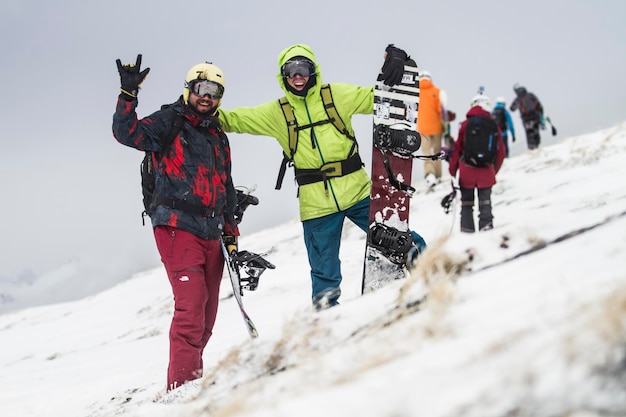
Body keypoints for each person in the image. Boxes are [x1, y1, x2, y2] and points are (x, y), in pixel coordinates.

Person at [218, 44, 426, 310]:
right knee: (324, 275)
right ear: (283, 76)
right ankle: (328, 320)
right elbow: (235, 119)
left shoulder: (336, 95)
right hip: (316, 206)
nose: (297, 76)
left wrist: (398, 61)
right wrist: (198, 104)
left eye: (303, 68)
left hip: (358, 191)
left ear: (313, 70)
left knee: (401, 238)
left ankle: (435, 270)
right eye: (290, 70)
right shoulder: (276, 113)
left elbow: (380, 98)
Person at [112, 55, 239, 391]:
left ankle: (191, 384)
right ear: (189, 90)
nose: (206, 96)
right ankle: (180, 393)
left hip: (212, 232)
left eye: (213, 90)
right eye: (200, 88)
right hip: (175, 225)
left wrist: (231, 233)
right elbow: (127, 133)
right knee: (191, 308)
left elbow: (225, 186)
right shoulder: (171, 121)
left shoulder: (218, 137)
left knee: (207, 316)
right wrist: (128, 95)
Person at [448, 95, 505, 232]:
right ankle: (486, 230)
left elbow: (457, 149)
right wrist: (493, 170)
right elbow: (501, 151)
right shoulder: (493, 125)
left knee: (467, 205)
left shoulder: (465, 125)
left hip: (467, 171)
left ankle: (467, 233)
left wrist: (453, 170)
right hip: (486, 171)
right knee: (485, 203)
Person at [417, 70, 448, 189]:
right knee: (437, 152)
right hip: (437, 127)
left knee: (426, 153)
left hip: (423, 129)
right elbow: (442, 110)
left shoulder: (416, 93)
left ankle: (430, 174)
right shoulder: (437, 92)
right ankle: (438, 175)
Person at [509, 83, 545, 150]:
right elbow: (539, 106)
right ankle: (538, 146)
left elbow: (512, 108)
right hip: (535, 117)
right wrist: (540, 115)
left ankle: (531, 148)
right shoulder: (531, 95)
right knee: (536, 132)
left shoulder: (518, 99)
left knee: (529, 133)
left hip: (526, 119)